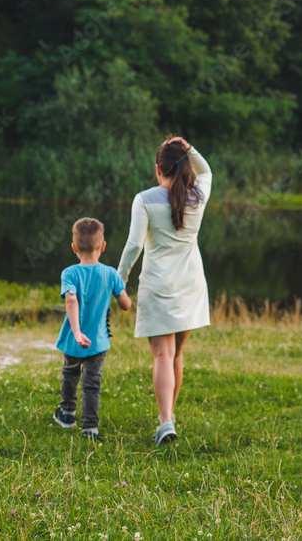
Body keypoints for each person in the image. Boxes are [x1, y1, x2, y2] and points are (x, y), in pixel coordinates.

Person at [117, 136, 212, 446]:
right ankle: (168, 416)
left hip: (158, 286)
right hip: (190, 286)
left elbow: (134, 245)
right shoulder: (198, 195)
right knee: (176, 354)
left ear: (158, 169)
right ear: (185, 168)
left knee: (162, 354)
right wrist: (190, 149)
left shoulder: (144, 199)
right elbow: (207, 172)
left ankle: (165, 421)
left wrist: (120, 279)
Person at [53, 217, 132, 441]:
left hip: (72, 339)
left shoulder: (69, 273)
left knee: (70, 374)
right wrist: (122, 290)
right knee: (92, 382)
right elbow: (125, 304)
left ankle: (67, 414)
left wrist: (77, 332)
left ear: (74, 248)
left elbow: (71, 300)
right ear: (103, 246)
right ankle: (90, 428)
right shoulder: (111, 274)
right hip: (98, 341)